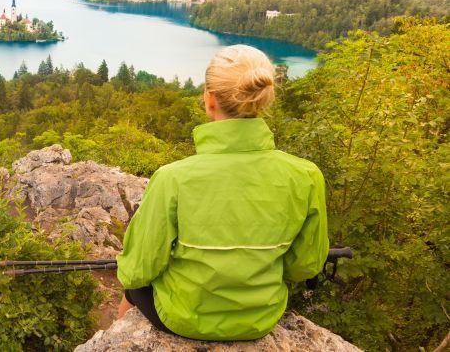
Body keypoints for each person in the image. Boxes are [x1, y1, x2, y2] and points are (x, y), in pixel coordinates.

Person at [115, 45, 329, 341]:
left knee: (134, 289)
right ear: (263, 97)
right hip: (260, 317)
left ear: (209, 99)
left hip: (183, 317)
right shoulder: (306, 176)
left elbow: (137, 270)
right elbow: (303, 266)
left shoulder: (172, 178)